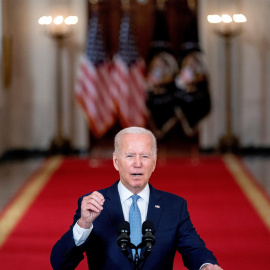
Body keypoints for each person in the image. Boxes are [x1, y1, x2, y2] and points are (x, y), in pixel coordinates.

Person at [50, 127, 222, 270]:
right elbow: (60, 263)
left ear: (154, 163)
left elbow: (194, 249)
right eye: (130, 156)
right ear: (116, 161)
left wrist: (206, 266)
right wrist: (84, 224)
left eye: (145, 156)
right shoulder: (92, 205)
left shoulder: (175, 206)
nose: (138, 163)